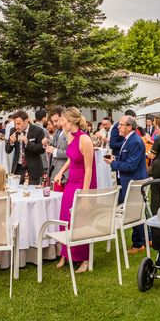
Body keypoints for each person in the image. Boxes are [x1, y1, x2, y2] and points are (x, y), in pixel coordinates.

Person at [53, 107, 97, 273]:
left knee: (80, 221)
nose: (60, 123)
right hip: (71, 183)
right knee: (66, 218)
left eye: (62, 120)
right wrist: (60, 172)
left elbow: (89, 169)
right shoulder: (68, 135)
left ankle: (84, 258)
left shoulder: (84, 139)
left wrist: (85, 195)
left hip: (83, 183)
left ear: (70, 120)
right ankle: (66, 253)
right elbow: (72, 157)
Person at [104, 114, 147, 254]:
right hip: (129, 181)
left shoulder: (134, 141)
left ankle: (139, 244)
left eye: (121, 125)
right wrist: (116, 158)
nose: (118, 127)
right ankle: (144, 240)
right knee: (136, 212)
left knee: (134, 213)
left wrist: (113, 163)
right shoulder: (128, 140)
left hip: (133, 182)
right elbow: (128, 159)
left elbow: (130, 166)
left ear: (129, 127)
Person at [5, 110, 46, 184]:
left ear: (26, 121)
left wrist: (27, 143)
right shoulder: (13, 130)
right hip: (18, 168)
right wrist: (10, 142)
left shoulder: (38, 131)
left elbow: (41, 150)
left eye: (18, 124)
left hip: (34, 169)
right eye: (15, 124)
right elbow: (7, 150)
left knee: (34, 193)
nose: (16, 126)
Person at [46, 106, 69, 183]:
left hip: (65, 174)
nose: (54, 124)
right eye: (53, 122)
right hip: (54, 172)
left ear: (63, 117)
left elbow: (72, 153)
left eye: (56, 121)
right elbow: (55, 145)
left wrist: (55, 151)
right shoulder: (57, 131)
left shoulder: (70, 132)